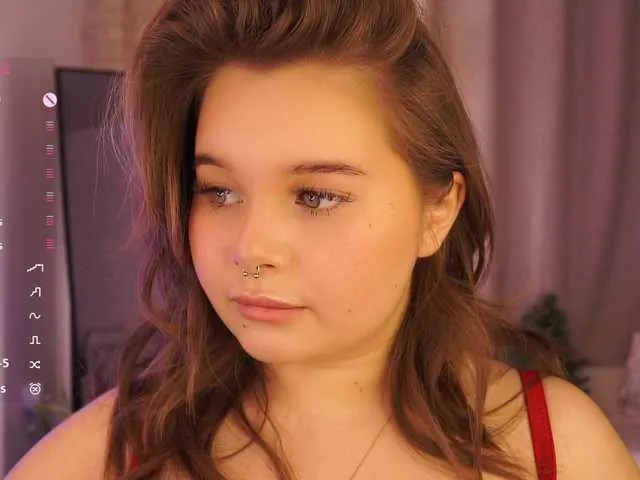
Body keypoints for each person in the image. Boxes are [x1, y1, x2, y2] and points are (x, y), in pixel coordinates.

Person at [8, 0, 640, 479]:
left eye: (316, 196)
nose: (252, 249)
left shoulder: (557, 449)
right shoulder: (103, 458)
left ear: (438, 211)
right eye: (219, 191)